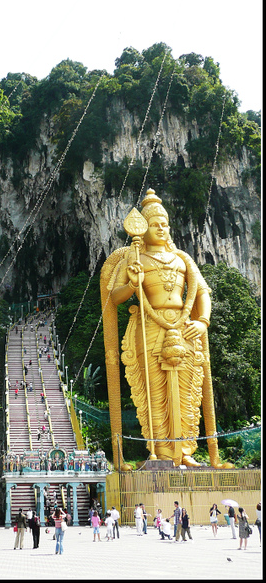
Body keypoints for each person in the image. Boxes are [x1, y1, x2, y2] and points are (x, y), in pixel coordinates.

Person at [102, 188, 233, 470]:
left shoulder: (183, 259)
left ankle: (185, 450)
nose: (160, 228)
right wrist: (132, 283)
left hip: (185, 326)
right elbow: (114, 297)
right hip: (149, 326)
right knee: (154, 392)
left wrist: (203, 321)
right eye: (154, 224)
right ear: (142, 229)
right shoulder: (134, 259)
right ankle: (160, 452)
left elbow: (202, 293)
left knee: (188, 389)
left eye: (164, 224)